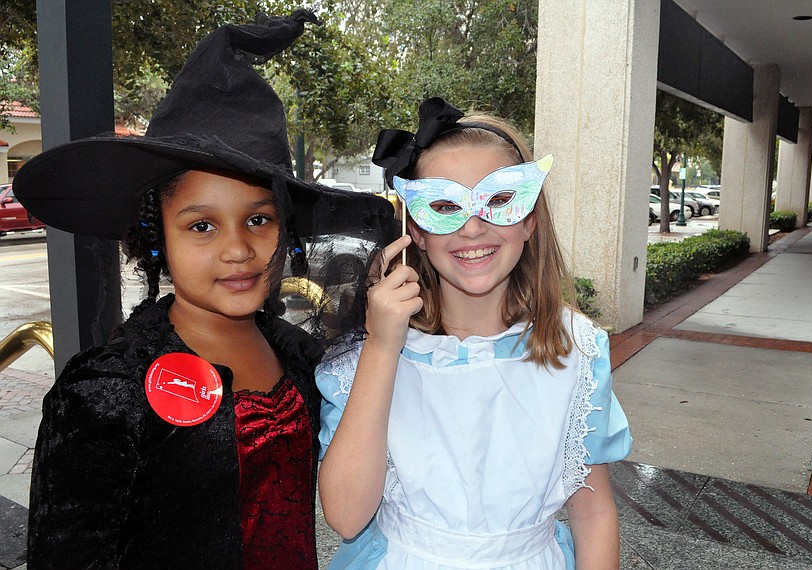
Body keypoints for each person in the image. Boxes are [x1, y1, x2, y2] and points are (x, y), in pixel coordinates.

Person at [15, 12, 393, 569]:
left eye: (259, 220)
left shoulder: (301, 354)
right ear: (156, 236)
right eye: (202, 226)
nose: (238, 249)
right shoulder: (107, 390)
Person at [316, 97, 633, 569]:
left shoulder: (576, 352)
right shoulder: (366, 356)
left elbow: (594, 512)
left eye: (500, 202)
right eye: (444, 206)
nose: (472, 228)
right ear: (417, 232)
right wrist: (382, 346)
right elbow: (344, 516)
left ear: (529, 220)